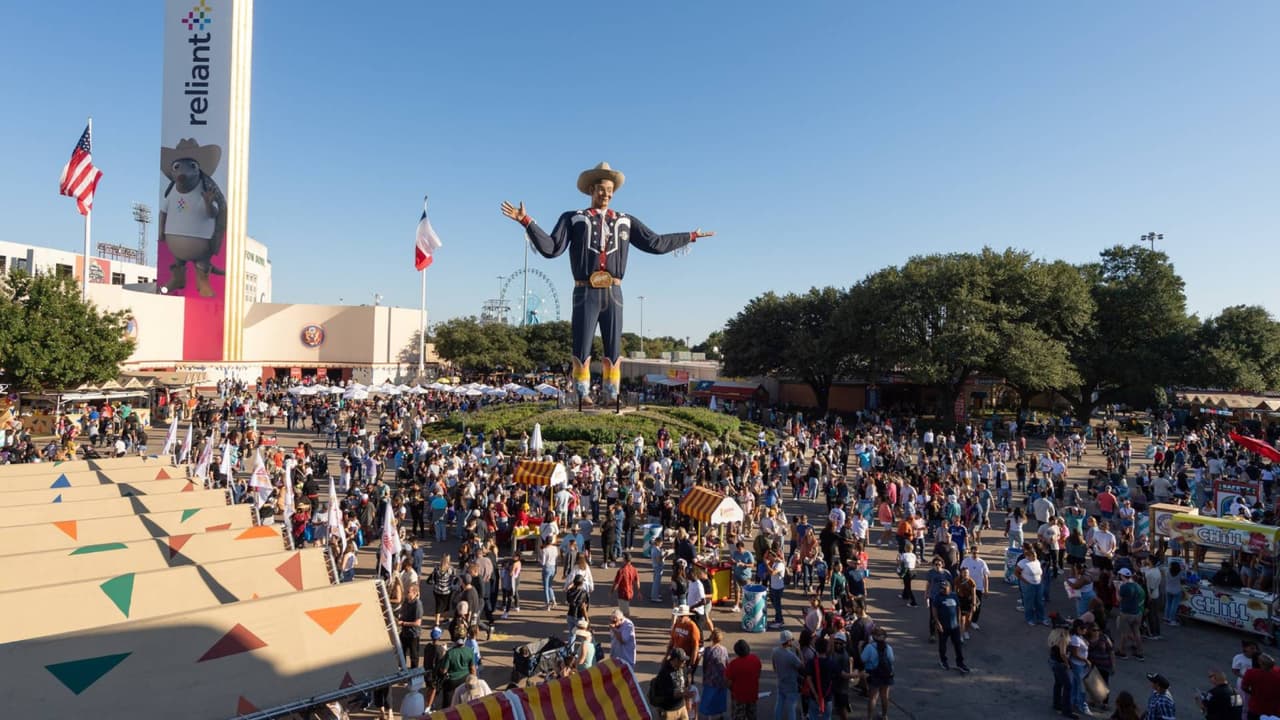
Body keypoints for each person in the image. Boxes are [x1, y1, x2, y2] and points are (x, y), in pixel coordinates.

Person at [501, 162, 714, 402]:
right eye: (602, 189)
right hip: (585, 291)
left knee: (613, 347)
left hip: (614, 292)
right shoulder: (574, 218)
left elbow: (655, 243)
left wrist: (690, 236)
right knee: (582, 345)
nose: (607, 194)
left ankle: (611, 393)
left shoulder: (625, 220)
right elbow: (552, 248)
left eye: (611, 189)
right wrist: (526, 221)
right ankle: (581, 393)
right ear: (591, 190)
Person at [930, 579, 969, 673]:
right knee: (942, 646)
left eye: (944, 588)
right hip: (943, 627)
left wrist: (959, 621)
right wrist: (938, 623)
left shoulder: (954, 595)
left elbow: (958, 609)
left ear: (949, 588)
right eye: (941, 588)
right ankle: (943, 661)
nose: (942, 590)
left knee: (958, 645)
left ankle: (960, 663)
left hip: (954, 626)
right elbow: (934, 611)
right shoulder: (937, 597)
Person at [860, 628, 894, 720]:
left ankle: (870, 717)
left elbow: (863, 659)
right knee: (885, 696)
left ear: (874, 637)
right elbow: (891, 660)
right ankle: (884, 715)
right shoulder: (888, 648)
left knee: (873, 697)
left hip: (874, 674)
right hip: (887, 674)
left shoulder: (869, 647)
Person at [651, 648, 695, 720]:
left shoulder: (683, 668)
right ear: (675, 660)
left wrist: (687, 700)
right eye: (682, 660)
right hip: (669, 711)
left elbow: (686, 684)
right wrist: (683, 694)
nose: (684, 662)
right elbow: (665, 693)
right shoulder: (664, 673)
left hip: (682, 707)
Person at [725, 639, 762, 720]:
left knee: (738, 716)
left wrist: (732, 689)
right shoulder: (755, 659)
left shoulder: (733, 664)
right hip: (752, 694)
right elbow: (758, 674)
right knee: (752, 715)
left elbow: (728, 682)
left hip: (739, 696)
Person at [772, 630, 804, 720]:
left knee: (779, 705)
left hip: (780, 682)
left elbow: (774, 666)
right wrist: (799, 651)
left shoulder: (775, 651)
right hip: (791, 684)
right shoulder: (791, 656)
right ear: (789, 641)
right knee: (791, 708)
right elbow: (802, 665)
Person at [1115, 569, 1146, 661]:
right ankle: (1140, 652)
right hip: (1137, 612)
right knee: (1137, 632)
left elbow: (1119, 599)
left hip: (1126, 612)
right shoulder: (1136, 586)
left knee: (1124, 633)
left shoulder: (1124, 587)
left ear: (1122, 576)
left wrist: (1117, 589)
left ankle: (1122, 651)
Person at [700, 628, 731, 720]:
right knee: (720, 697)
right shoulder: (724, 649)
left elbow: (705, 664)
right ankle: (720, 714)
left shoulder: (708, 650)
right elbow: (727, 663)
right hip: (721, 678)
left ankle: (709, 716)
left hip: (710, 678)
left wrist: (705, 675)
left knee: (709, 697)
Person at [1242, 653, 1280, 720]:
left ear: (1260, 663)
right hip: (1275, 710)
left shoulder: (1251, 673)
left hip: (1256, 709)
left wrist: (1252, 692)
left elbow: (1244, 687)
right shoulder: (1278, 671)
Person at [398, 581, 424, 669]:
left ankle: (414, 673)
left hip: (413, 634)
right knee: (401, 652)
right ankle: (403, 670)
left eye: (408, 592)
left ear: (415, 593)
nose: (406, 593)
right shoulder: (406, 601)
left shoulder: (418, 605)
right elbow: (402, 612)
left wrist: (404, 623)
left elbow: (418, 623)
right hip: (404, 632)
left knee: (414, 656)